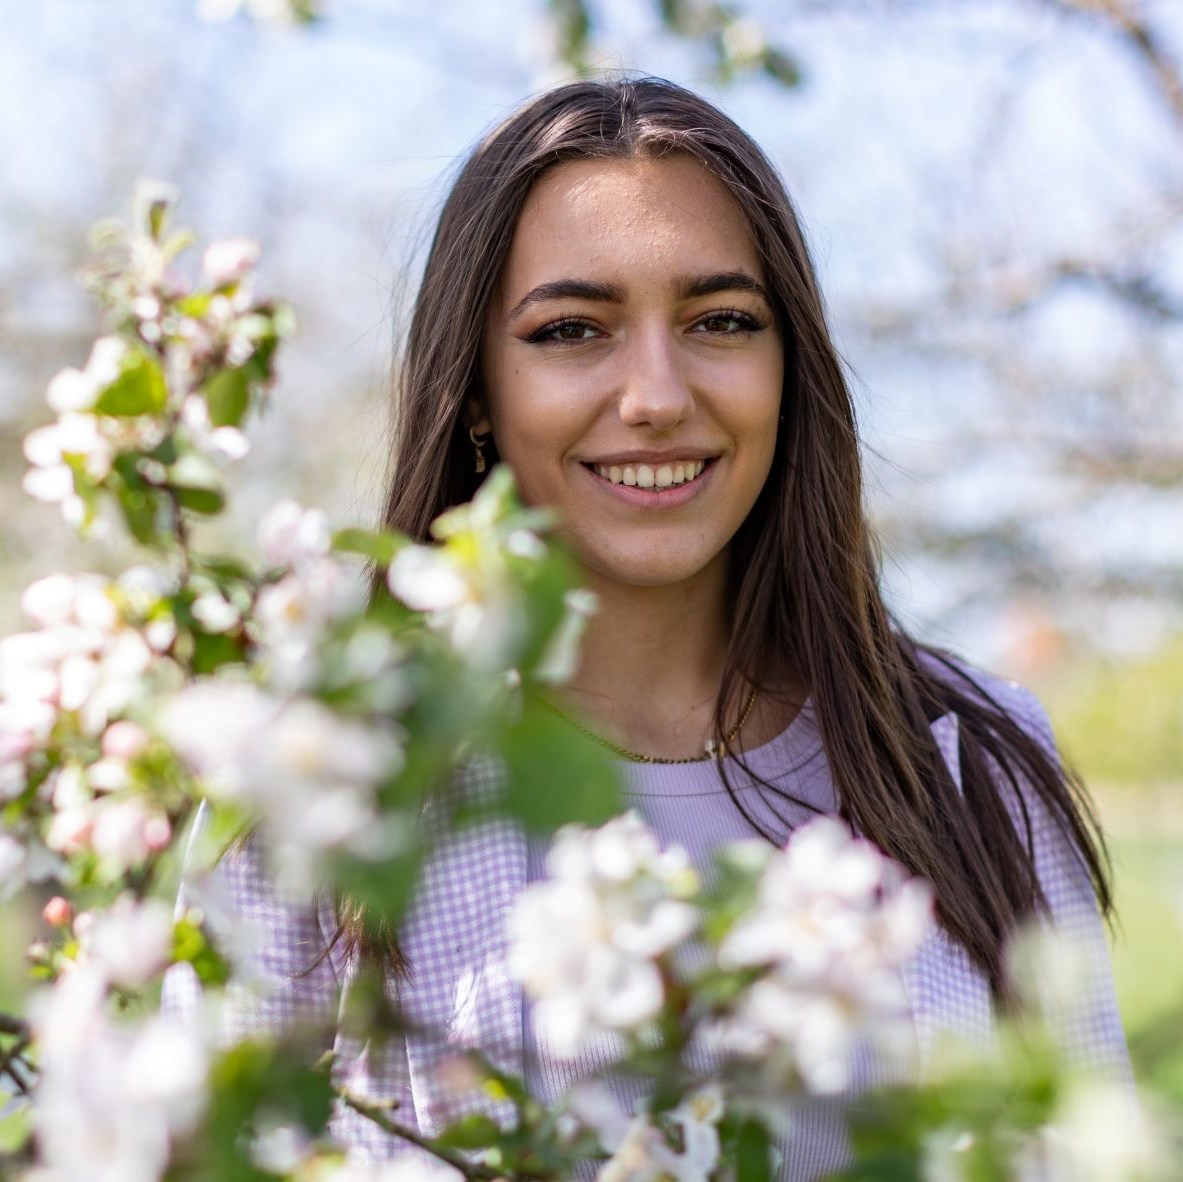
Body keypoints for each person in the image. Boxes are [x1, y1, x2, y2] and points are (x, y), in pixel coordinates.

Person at [165, 76, 1130, 1178]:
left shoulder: (971, 762)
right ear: (476, 391)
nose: (655, 395)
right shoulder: (320, 777)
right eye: (572, 330)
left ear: (788, 367)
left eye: (721, 321)